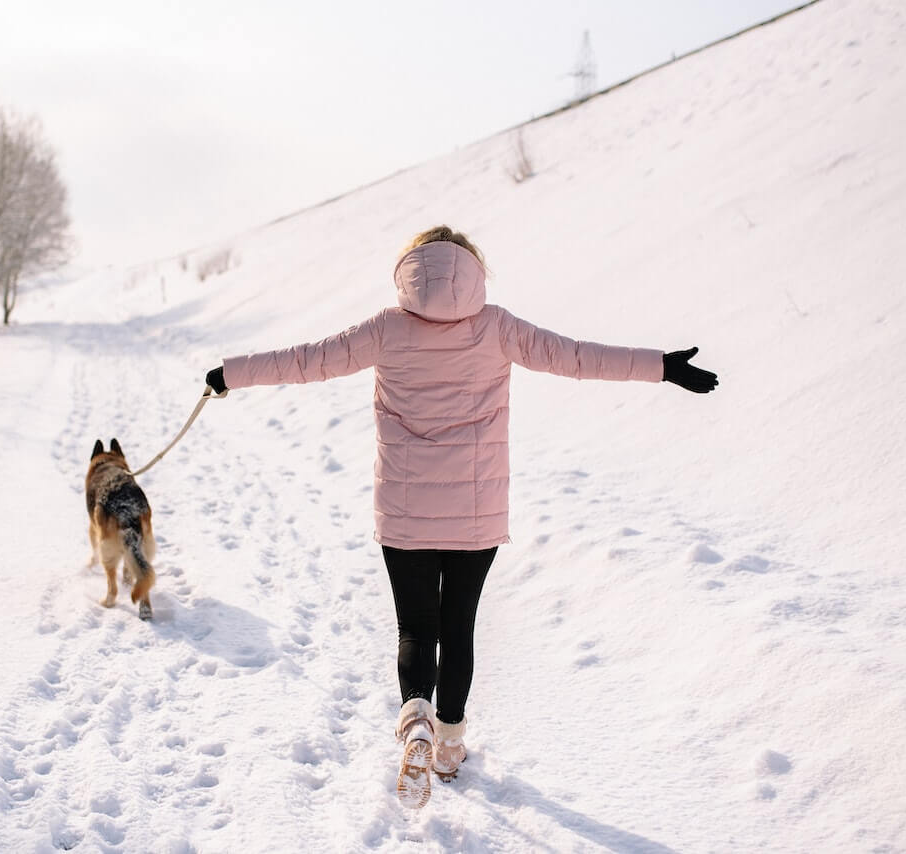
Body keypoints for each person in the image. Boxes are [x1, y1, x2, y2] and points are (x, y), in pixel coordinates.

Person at [204, 225, 717, 809]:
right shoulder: (497, 327)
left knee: (415, 628)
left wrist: (230, 375)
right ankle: (448, 746)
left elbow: (305, 362)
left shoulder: (384, 328)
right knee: (459, 627)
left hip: (404, 510)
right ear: (473, 271)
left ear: (410, 271)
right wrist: (661, 366)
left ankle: (415, 717)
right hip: (475, 514)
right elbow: (577, 357)